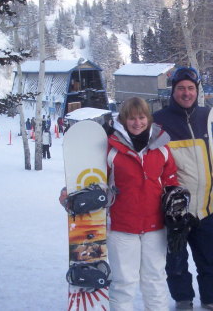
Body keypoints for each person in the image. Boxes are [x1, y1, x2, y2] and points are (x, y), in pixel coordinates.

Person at [60, 97, 181, 310]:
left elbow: (170, 176)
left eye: (141, 117)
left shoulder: (161, 145)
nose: (137, 123)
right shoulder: (111, 148)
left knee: (155, 281)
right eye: (132, 118)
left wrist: (176, 197)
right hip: (122, 227)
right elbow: (93, 180)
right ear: (123, 120)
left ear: (148, 118)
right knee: (125, 283)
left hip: (156, 226)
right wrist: (70, 194)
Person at [153, 67, 213, 311]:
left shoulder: (209, 116)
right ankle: (183, 299)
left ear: (198, 90)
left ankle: (212, 298)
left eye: (191, 88)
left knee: (209, 258)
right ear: (173, 90)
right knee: (176, 260)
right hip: (175, 208)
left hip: (206, 205)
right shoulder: (159, 121)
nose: (186, 93)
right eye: (181, 88)